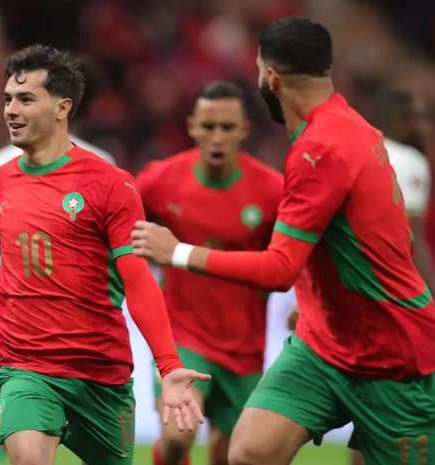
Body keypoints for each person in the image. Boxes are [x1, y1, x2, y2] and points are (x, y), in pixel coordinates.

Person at [132, 17, 435, 465]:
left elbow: (278, 269)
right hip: (325, 344)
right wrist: (320, 297)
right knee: (249, 453)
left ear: (272, 77)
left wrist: (178, 252)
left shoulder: (319, 149)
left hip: (398, 358)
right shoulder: (350, 129)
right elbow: (369, 236)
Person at [0, 44, 208, 465]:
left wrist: (168, 365)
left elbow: (138, 280)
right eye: (8, 99)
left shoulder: (111, 182)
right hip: (25, 368)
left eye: (26, 99)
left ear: (62, 107)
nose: (11, 111)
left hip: (101, 374)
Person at [135, 80, 284, 465]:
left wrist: (309, 302)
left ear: (244, 130)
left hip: (244, 349)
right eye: (208, 126)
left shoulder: (272, 191)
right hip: (181, 338)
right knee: (178, 436)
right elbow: (119, 228)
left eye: (227, 127)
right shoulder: (160, 180)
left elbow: (292, 259)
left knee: (229, 456)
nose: (217, 137)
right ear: (192, 127)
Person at [0, 138, 115, 465]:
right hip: (31, 332)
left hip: (72, 334)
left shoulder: (101, 166)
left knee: (3, 428)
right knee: (8, 426)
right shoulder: (4, 165)